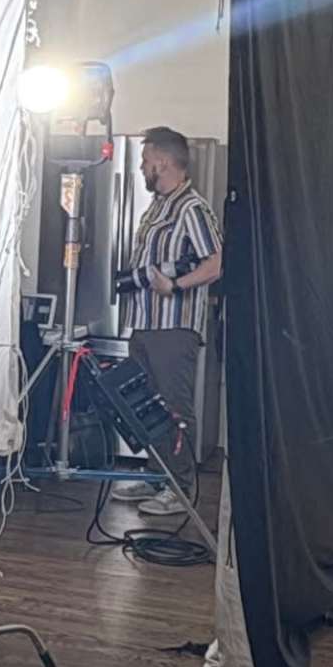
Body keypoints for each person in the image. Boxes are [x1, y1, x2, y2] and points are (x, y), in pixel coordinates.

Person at [124, 126, 218, 450]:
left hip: (173, 328)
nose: (141, 167)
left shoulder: (192, 207)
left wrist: (175, 285)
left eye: (145, 159)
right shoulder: (157, 206)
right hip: (144, 323)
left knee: (174, 408)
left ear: (162, 162)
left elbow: (217, 264)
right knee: (147, 407)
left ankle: (177, 487)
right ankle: (155, 478)